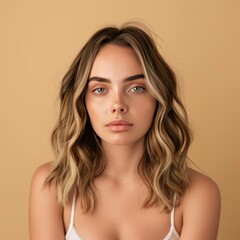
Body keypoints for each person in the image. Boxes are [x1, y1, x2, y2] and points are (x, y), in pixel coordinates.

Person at [29, 22, 221, 240]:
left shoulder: (199, 194)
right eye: (100, 89)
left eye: (136, 88)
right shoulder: (52, 185)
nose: (118, 105)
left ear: (157, 98)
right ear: (83, 101)